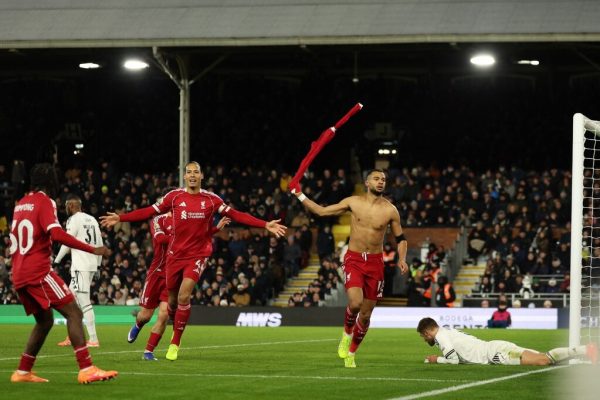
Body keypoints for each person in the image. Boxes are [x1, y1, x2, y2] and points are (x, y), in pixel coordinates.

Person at [100, 161, 286, 361]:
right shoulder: (174, 197)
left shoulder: (212, 199)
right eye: (189, 172)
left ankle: (174, 343)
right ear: (184, 176)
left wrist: (264, 224)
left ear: (201, 176)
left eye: (196, 172)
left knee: (183, 296)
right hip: (173, 258)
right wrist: (121, 218)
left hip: (197, 256)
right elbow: (148, 211)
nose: (192, 175)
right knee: (170, 304)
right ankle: (145, 324)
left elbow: (236, 214)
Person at [9, 163, 117, 384]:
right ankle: (87, 368)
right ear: (51, 181)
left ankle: (22, 371)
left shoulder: (20, 204)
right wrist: (92, 249)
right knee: (74, 313)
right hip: (38, 272)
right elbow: (57, 234)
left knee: (45, 321)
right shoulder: (45, 201)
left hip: (18, 272)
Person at [292, 169, 408, 368]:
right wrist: (299, 194)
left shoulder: (390, 210)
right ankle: (347, 334)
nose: (381, 182)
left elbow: (401, 239)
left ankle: (352, 353)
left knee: (366, 314)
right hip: (354, 259)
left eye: (383, 179)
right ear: (367, 183)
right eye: (376, 178)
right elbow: (321, 211)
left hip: (375, 263)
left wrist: (402, 258)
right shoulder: (353, 202)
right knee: (355, 303)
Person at [126, 188, 231, 361]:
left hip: (175, 270)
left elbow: (197, 237)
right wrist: (181, 239)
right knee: (145, 315)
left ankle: (148, 351)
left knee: (164, 314)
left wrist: (214, 229)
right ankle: (138, 324)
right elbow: (159, 239)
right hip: (157, 272)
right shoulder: (157, 220)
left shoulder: (184, 219)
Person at [417, 317, 598, 365]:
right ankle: (587, 355)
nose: (424, 340)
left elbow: (454, 360)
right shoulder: (447, 332)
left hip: (495, 354)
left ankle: (586, 349)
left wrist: (436, 359)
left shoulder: (441, 336)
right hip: (495, 348)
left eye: (423, 336)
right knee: (546, 359)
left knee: (543, 360)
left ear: (427, 332)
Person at [54, 194, 103, 348]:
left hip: (81, 266)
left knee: (84, 302)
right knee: (70, 300)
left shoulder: (73, 220)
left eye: (66, 205)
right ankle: (72, 336)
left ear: (71, 205)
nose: (65, 208)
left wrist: (56, 260)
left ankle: (93, 339)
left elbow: (67, 242)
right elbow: (100, 244)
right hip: (91, 264)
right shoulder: (92, 220)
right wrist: (98, 265)